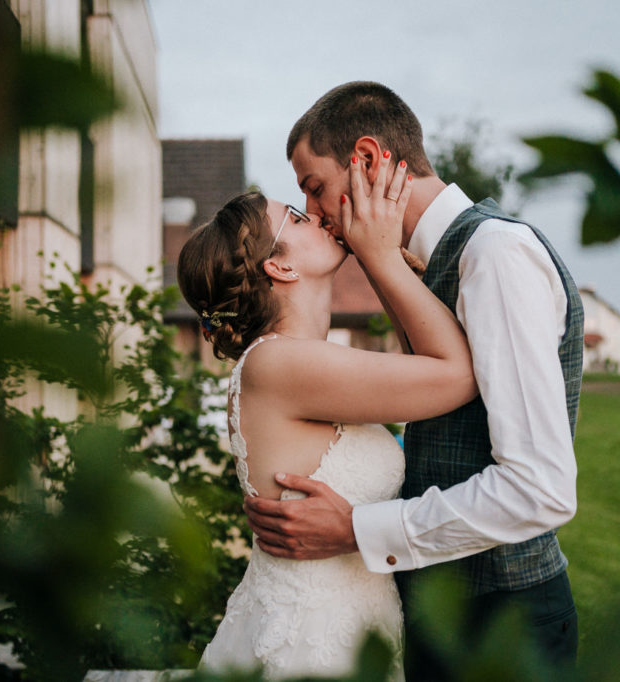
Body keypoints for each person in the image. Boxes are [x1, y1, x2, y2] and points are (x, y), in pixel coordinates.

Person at [244, 81, 584, 678]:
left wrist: (357, 528)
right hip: (442, 610)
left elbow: (539, 488)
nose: (316, 214)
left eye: (314, 188)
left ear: (368, 160)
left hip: (503, 624)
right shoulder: (423, 263)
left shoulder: (495, 255)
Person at [177, 157, 478, 680]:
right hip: (313, 644)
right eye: (295, 217)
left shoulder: (298, 361)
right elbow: (457, 376)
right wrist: (379, 256)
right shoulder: (280, 363)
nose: (316, 217)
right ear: (281, 266)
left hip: (346, 622)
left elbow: (423, 369)